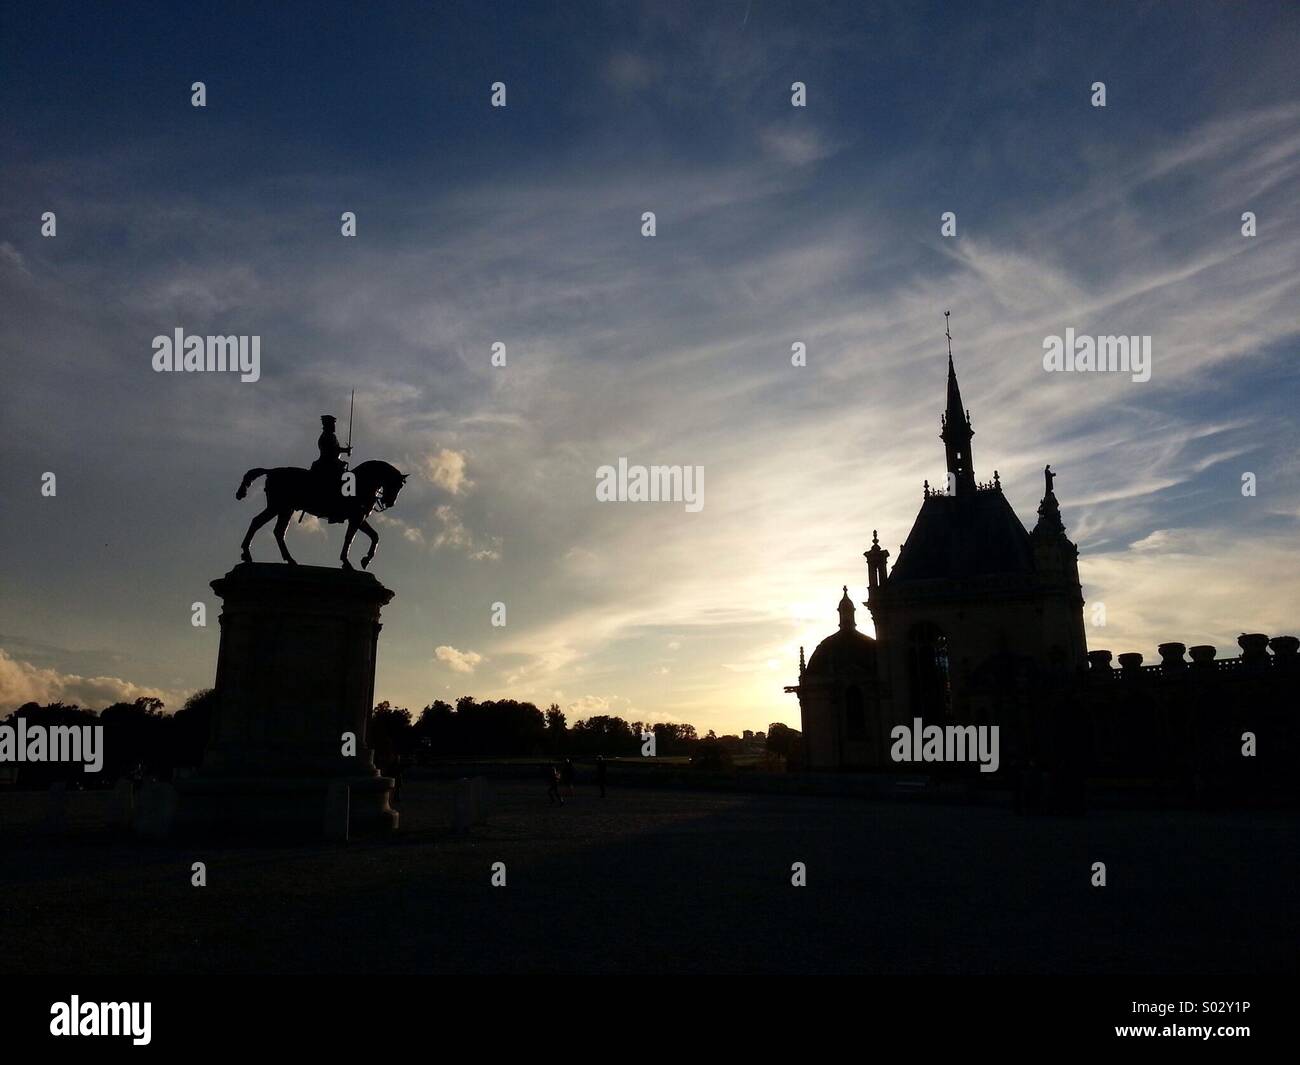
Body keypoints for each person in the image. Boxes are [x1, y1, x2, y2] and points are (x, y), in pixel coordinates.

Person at [309, 414, 352, 517]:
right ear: (328, 425)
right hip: (327, 464)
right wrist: (344, 450)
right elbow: (330, 450)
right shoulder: (326, 436)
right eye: (333, 424)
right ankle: (341, 505)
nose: (334, 426)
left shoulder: (331, 436)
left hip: (332, 462)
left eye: (334, 424)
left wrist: (345, 450)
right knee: (348, 479)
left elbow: (335, 449)